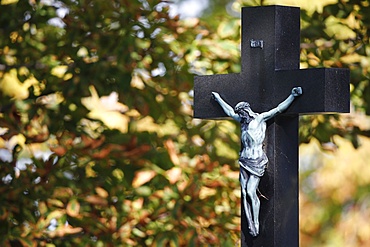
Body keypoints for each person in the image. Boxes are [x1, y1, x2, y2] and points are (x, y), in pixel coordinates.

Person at [211, 87, 302, 237]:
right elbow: (228, 112)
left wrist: (292, 95)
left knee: (250, 191)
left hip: (256, 161)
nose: (239, 116)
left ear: (246, 111)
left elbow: (278, 109)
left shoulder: (259, 119)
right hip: (244, 160)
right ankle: (250, 222)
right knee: (244, 192)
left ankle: (256, 223)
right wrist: (218, 98)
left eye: (241, 113)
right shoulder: (243, 122)